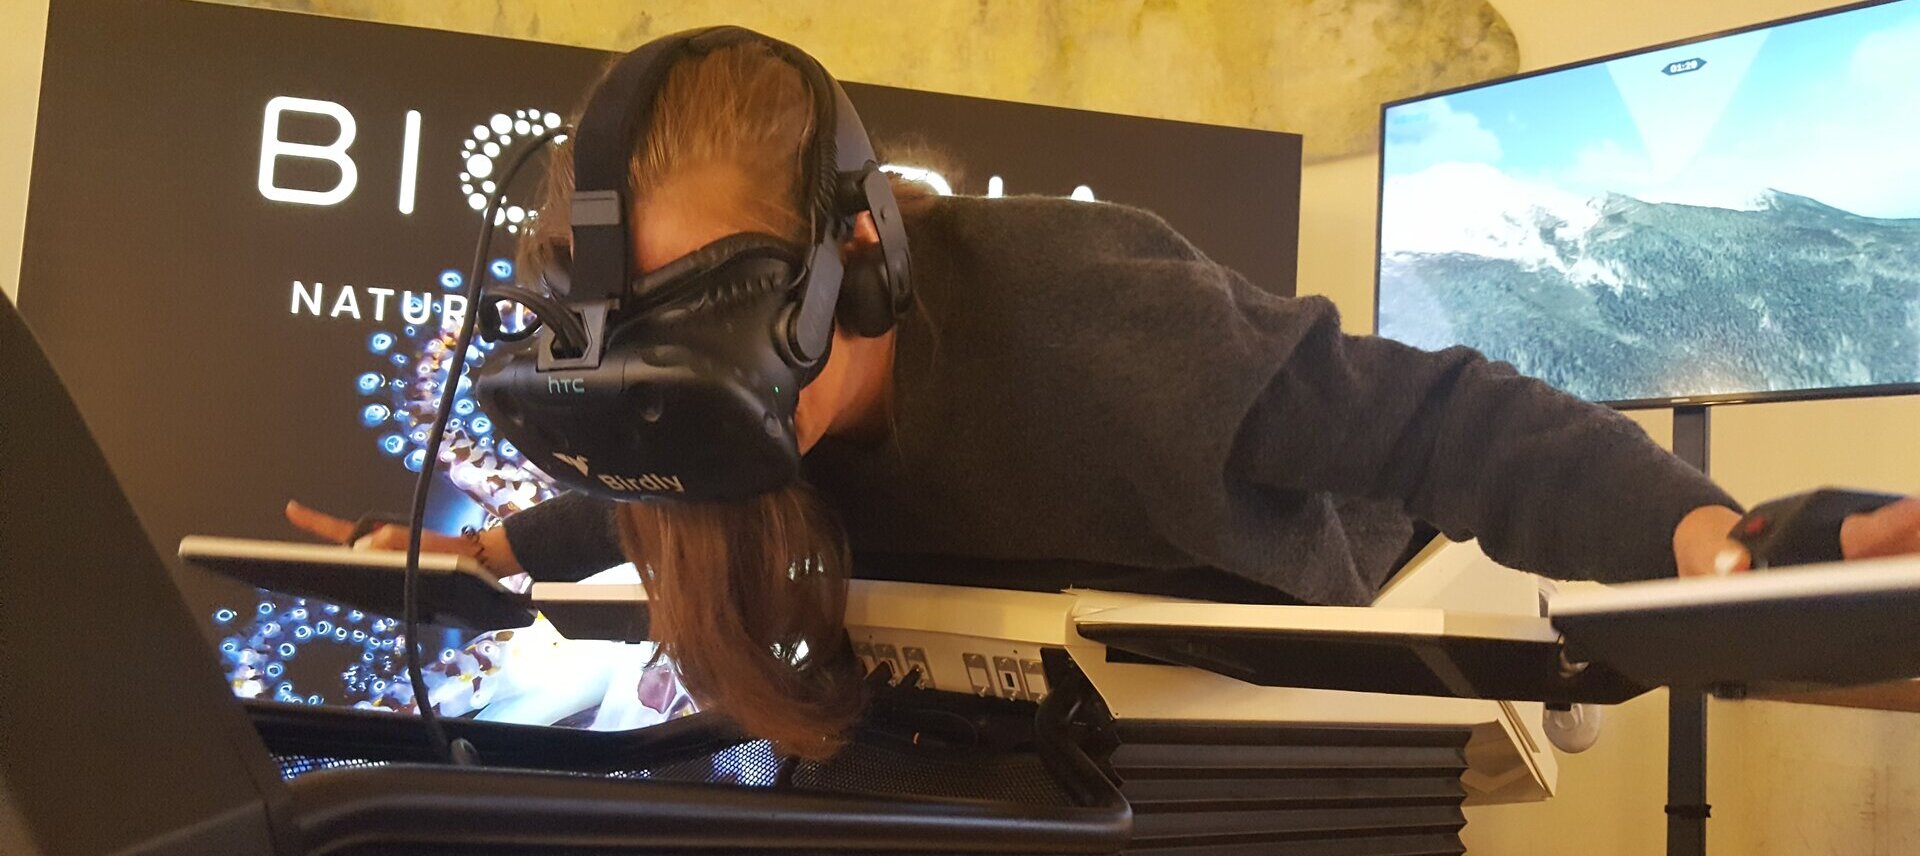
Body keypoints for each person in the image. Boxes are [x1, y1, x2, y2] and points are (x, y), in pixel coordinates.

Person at [289, 38, 1920, 758]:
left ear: (856, 259)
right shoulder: (724, 417)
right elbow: (676, 474)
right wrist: (495, 552)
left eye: (714, 340)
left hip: (1268, 578)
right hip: (1043, 637)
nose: (687, 404)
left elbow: (1442, 420)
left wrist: (1727, 548)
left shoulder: (1091, 324)